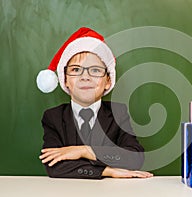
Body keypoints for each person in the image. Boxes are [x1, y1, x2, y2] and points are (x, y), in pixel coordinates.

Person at [36, 27, 153, 179]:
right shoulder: (53, 117)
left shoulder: (118, 112)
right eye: (76, 70)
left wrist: (86, 151)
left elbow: (135, 158)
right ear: (65, 80)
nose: (85, 77)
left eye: (95, 70)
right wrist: (106, 171)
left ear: (108, 81)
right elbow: (54, 166)